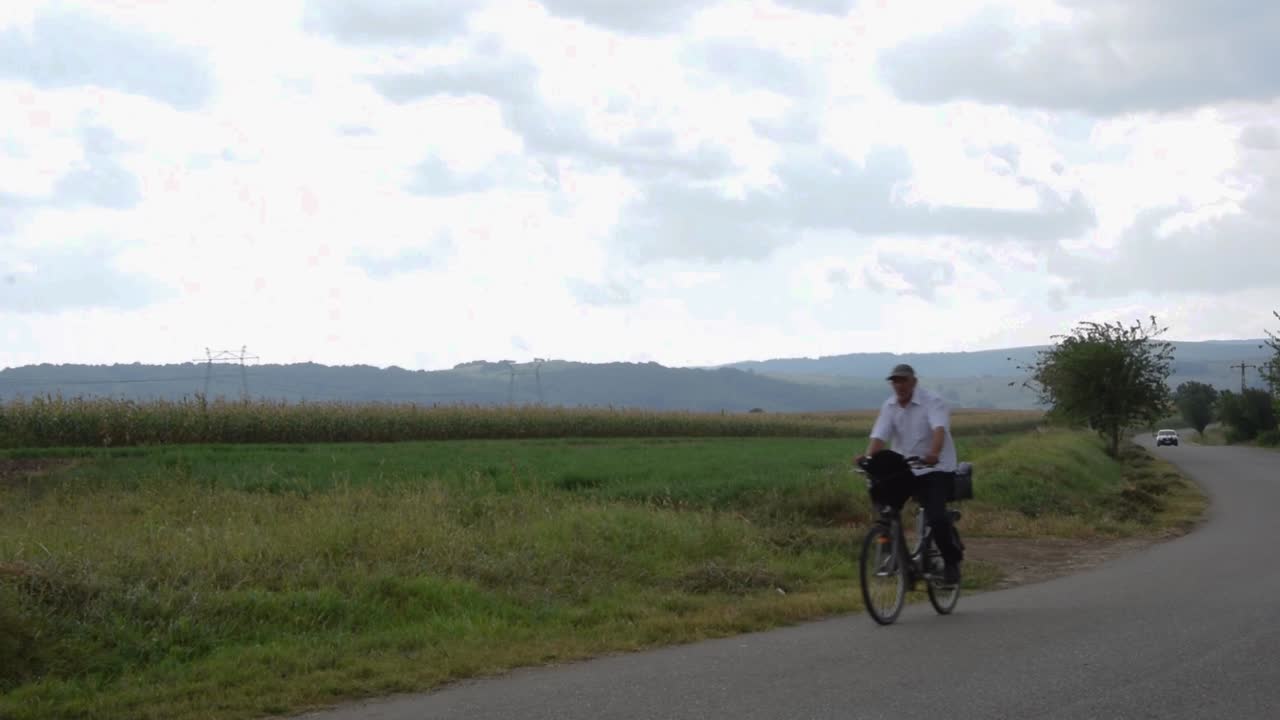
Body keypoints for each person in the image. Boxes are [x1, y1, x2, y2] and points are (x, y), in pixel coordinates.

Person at [854, 363, 964, 586]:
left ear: (914, 382)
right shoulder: (890, 406)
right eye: (895, 381)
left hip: (935, 468)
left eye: (903, 380)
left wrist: (933, 453)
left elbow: (939, 430)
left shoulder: (932, 402)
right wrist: (869, 460)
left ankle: (951, 563)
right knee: (885, 506)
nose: (899, 385)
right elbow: (879, 437)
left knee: (936, 517)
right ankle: (893, 556)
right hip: (907, 468)